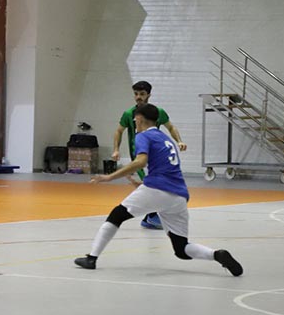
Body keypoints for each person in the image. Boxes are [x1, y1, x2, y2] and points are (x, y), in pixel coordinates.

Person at [76, 103, 242, 276]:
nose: (134, 121)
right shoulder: (166, 139)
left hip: (157, 189)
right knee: (181, 248)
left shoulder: (143, 136)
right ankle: (216, 254)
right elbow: (166, 169)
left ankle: (91, 258)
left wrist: (109, 177)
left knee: (116, 215)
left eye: (135, 119)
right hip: (178, 196)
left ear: (139, 119)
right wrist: (143, 185)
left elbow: (140, 162)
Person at [112, 81, 187, 230]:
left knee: (156, 184)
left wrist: (179, 141)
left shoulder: (157, 112)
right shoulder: (129, 114)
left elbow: (170, 126)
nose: (138, 97)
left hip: (156, 155)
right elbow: (119, 131)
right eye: (136, 94)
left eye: (142, 94)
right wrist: (116, 149)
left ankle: (152, 216)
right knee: (151, 184)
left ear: (149, 95)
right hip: (141, 155)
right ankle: (151, 217)